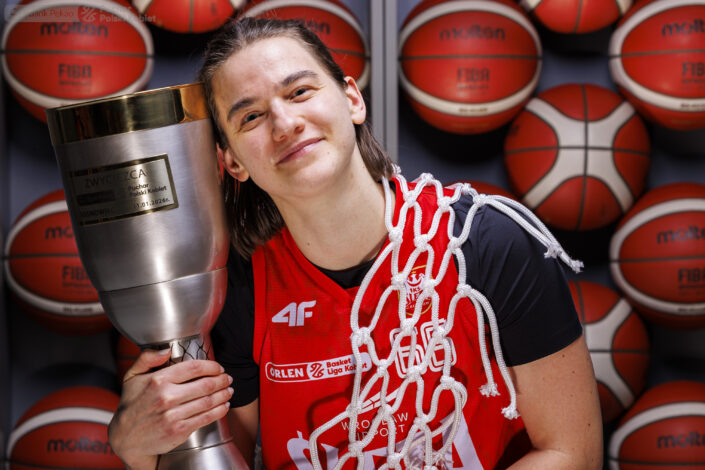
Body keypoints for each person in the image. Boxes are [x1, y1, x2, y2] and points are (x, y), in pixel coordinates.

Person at [108, 16, 603, 470]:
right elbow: (219, 459)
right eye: (251, 117)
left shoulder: (484, 241)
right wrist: (143, 452)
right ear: (232, 161)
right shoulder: (238, 285)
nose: (285, 124)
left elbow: (571, 453)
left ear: (351, 100)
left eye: (300, 92)